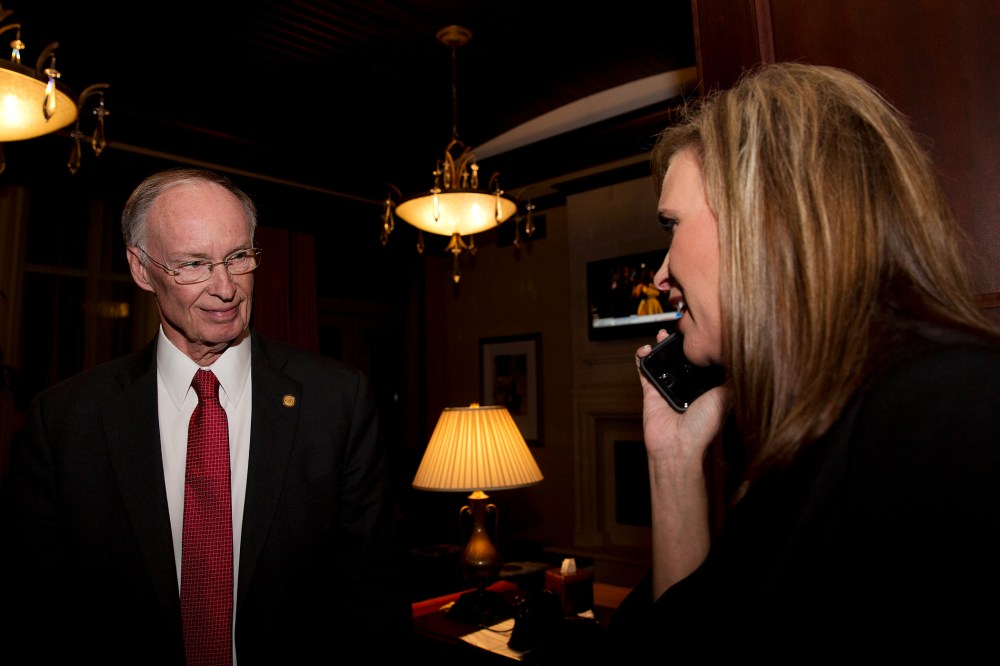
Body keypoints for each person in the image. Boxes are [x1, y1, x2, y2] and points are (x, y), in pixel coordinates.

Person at [607, 62, 1000, 659]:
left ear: (762, 218)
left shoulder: (948, 408)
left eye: (673, 226)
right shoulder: (814, 427)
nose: (660, 274)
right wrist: (674, 459)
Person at [0, 168, 411, 664]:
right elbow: (38, 609)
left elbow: (375, 600)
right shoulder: (64, 420)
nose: (226, 287)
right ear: (140, 268)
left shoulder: (337, 400)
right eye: (194, 263)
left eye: (239, 257)